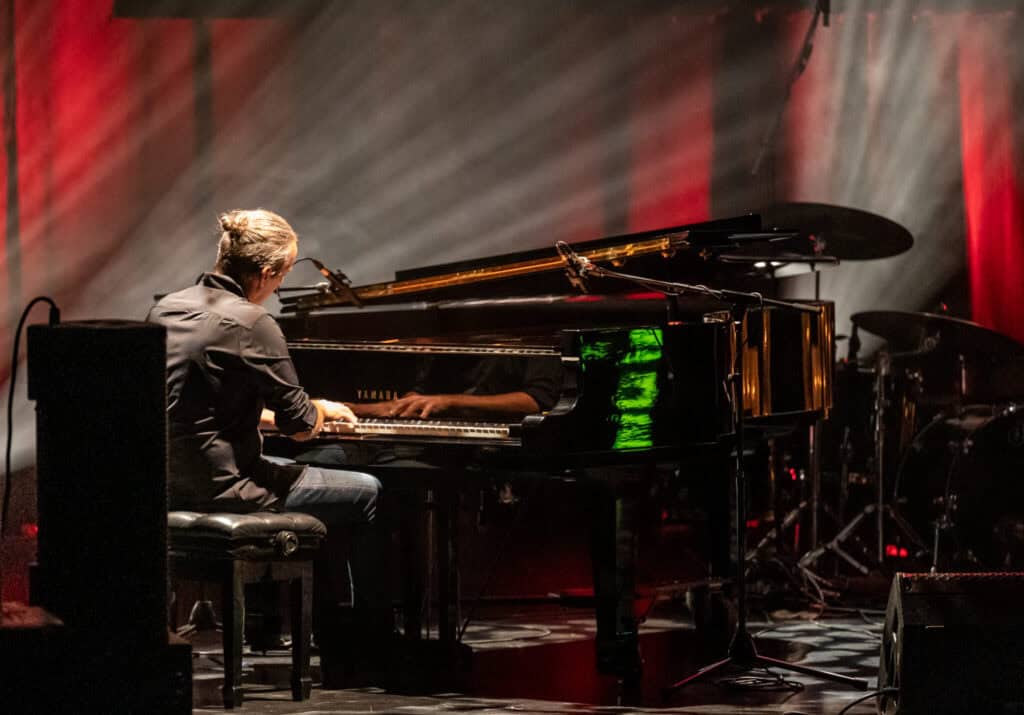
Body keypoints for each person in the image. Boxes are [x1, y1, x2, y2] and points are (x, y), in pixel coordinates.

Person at [147, 208, 388, 679]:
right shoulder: (253, 323)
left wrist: (273, 415)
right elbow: (300, 427)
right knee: (367, 489)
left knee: (311, 469)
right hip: (227, 489)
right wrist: (322, 408)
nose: (277, 290)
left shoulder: (166, 309)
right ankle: (363, 642)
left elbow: (193, 406)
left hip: (170, 483)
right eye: (280, 279)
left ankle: (276, 621)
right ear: (265, 273)